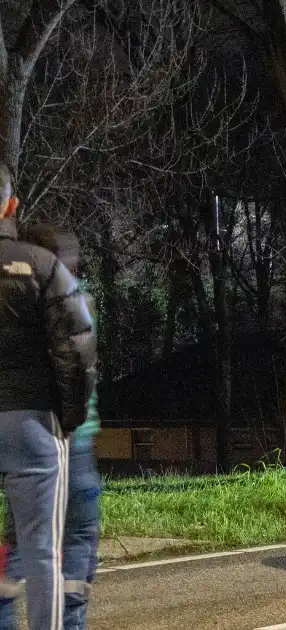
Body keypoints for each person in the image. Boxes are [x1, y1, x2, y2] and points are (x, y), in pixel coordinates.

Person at [0, 163, 98, 630]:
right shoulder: (41, 265)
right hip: (31, 422)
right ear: (11, 206)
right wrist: (71, 416)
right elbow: (75, 349)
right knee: (42, 550)